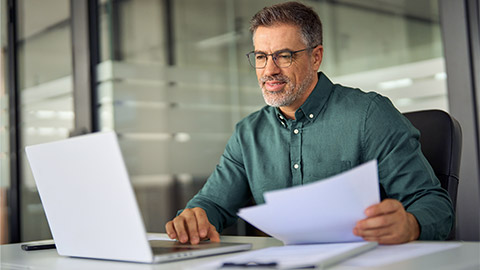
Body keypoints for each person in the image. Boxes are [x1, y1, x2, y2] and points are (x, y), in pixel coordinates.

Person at [165, 1, 454, 245]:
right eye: (262, 57)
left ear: (316, 57)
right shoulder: (247, 133)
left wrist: (411, 224)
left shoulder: (369, 115)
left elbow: (434, 203)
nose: (269, 70)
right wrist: (195, 217)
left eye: (284, 56)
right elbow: (213, 204)